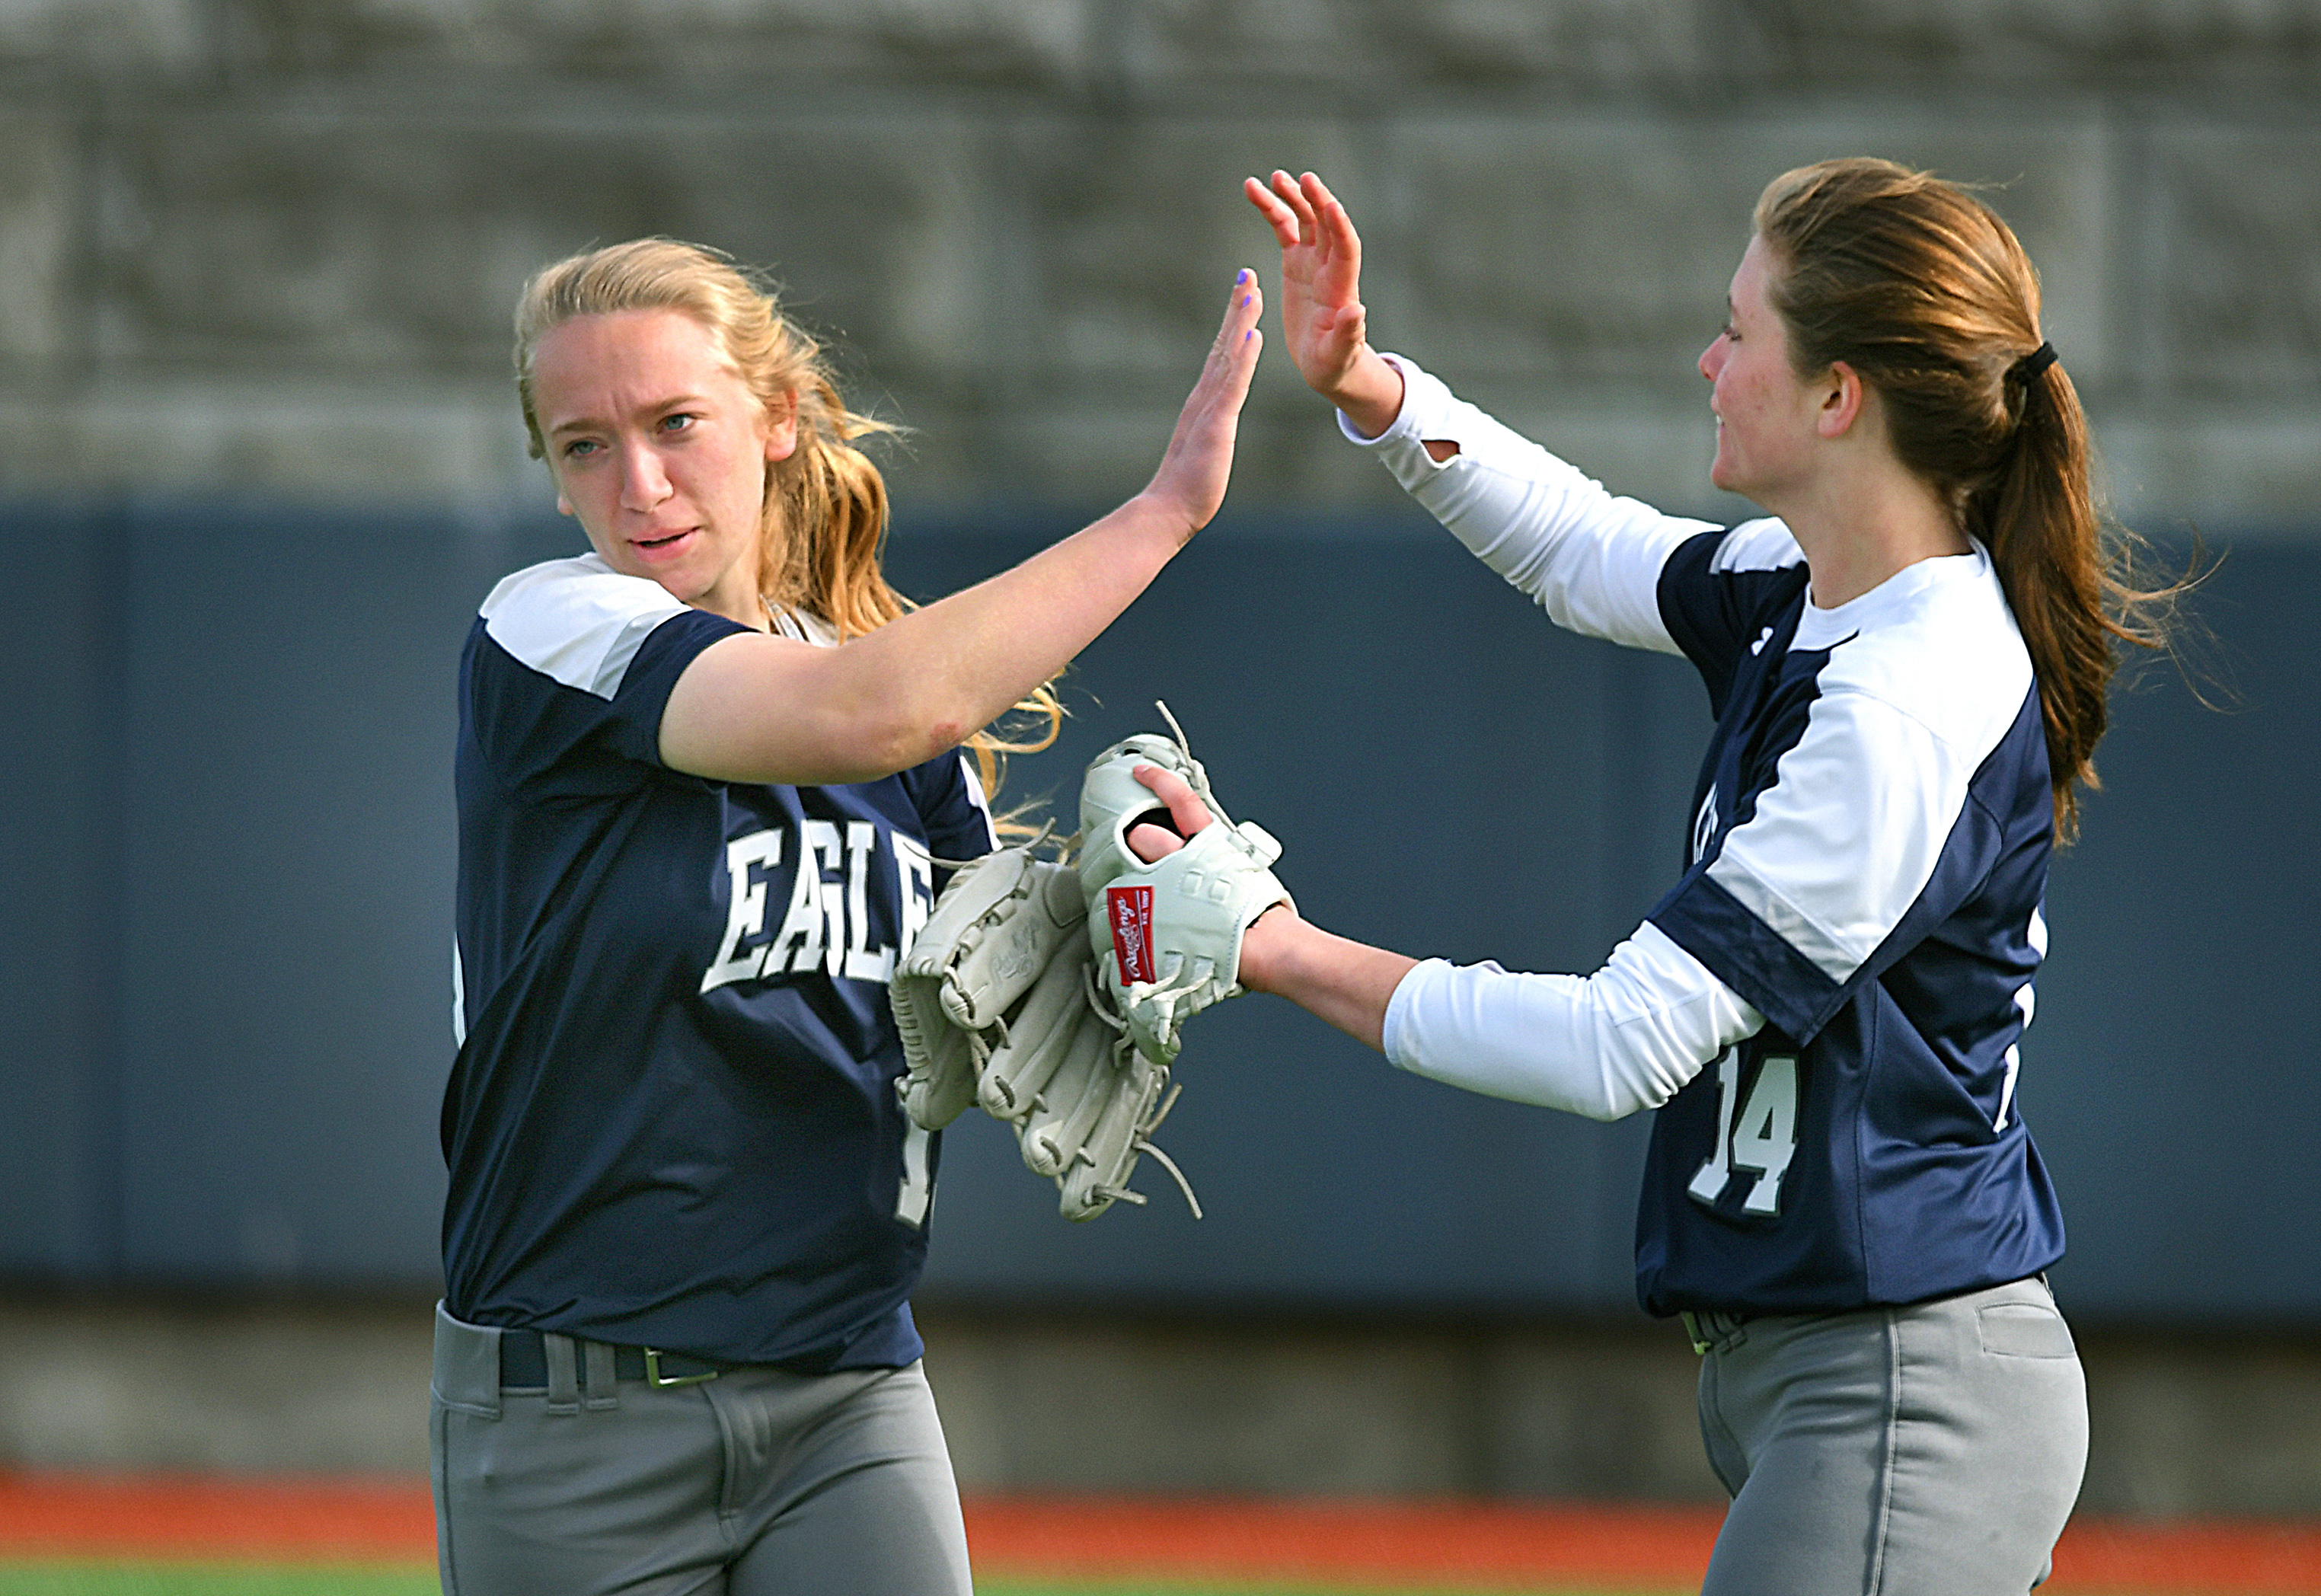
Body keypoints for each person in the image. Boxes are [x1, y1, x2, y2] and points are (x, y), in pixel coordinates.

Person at [1121, 163, 2175, 1593]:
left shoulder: (1902, 704)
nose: (1709, 358)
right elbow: (1583, 549)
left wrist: (1274, 945)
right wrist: (1372, 387)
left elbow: (1616, 1045)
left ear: (1837, 397)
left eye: (1740, 329)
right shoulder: (1811, 593)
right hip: (1831, 1371)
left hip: (1907, 1387)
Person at [433, 238, 1262, 1596]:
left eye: (675, 423)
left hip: (850, 1394)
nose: (636, 484)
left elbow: (985, 991)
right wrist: (1165, 509)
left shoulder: (883, 697)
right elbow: (873, 712)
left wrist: (1118, 931)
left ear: (775, 419)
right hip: (577, 1409)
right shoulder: (548, 638)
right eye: (584, 446)